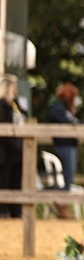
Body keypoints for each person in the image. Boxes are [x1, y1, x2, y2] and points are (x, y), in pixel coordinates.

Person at [0, 75, 26, 217]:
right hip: (5, 151)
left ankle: (15, 210)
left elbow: (24, 118)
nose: (16, 89)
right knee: (4, 181)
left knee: (16, 181)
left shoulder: (15, 105)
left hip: (17, 151)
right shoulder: (1, 106)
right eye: (14, 86)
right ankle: (2, 210)